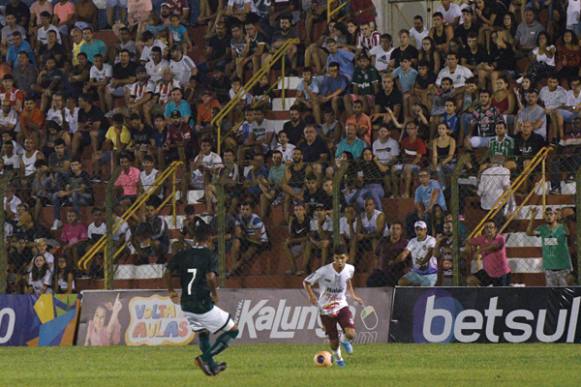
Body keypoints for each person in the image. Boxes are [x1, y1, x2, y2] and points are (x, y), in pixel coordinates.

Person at [166, 219, 237, 376]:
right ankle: (205, 358)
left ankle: (212, 367)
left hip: (186, 304)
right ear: (210, 239)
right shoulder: (209, 256)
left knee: (203, 333)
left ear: (195, 239)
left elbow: (167, 272)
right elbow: (211, 277)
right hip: (202, 304)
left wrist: (171, 291)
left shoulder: (182, 254)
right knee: (233, 330)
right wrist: (215, 295)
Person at [303, 245, 364, 368]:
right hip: (325, 309)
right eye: (336, 258)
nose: (339, 261)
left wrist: (353, 295)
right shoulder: (324, 271)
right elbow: (306, 282)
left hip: (341, 305)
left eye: (342, 258)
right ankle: (338, 358)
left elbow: (348, 280)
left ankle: (345, 341)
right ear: (333, 258)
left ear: (347, 257)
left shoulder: (350, 269)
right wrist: (311, 296)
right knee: (334, 341)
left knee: (351, 334)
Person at [527, 207, 572, 286]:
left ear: (555, 215)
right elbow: (529, 233)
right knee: (551, 293)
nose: (548, 216)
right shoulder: (542, 229)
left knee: (565, 291)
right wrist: (532, 217)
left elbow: (568, 233)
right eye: (546, 214)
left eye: (551, 214)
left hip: (563, 268)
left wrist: (561, 219)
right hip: (549, 268)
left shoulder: (562, 227)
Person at [466, 221, 511, 286]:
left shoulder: (500, 238)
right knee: (470, 280)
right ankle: (481, 295)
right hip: (488, 272)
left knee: (500, 295)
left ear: (495, 229)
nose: (489, 229)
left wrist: (479, 251)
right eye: (486, 228)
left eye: (491, 227)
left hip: (501, 273)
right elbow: (468, 241)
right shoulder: (482, 238)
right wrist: (468, 248)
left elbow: (493, 247)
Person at [395, 220, 438, 287]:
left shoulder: (431, 240)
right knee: (401, 282)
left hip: (430, 274)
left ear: (425, 230)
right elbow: (405, 253)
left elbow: (430, 253)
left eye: (421, 229)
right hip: (416, 273)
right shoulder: (412, 241)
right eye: (417, 229)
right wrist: (395, 261)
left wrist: (422, 262)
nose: (419, 232)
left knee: (424, 292)